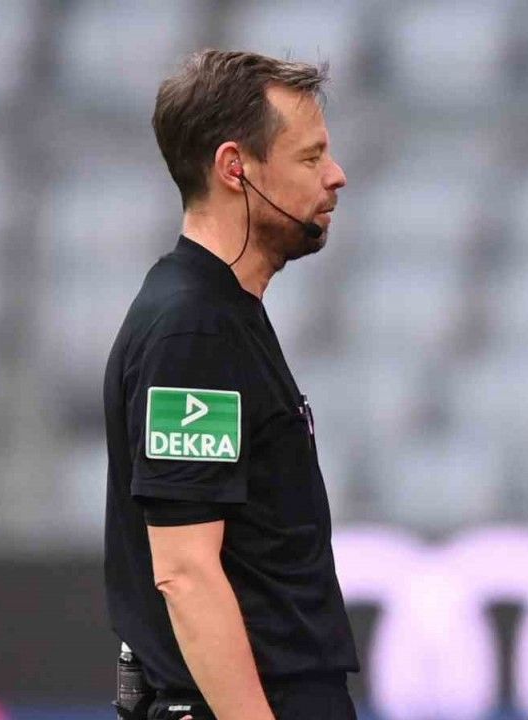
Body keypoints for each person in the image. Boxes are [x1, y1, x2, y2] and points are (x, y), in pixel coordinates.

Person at [103, 49, 358, 720]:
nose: (336, 175)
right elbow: (185, 572)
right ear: (234, 167)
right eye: (310, 157)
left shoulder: (217, 313)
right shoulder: (194, 331)